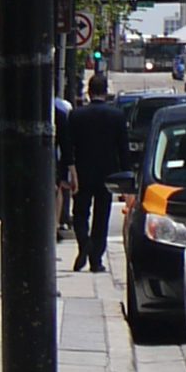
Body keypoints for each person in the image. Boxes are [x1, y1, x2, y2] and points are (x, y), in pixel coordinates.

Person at [57, 71, 134, 273]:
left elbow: (67, 146)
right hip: (108, 173)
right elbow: (123, 149)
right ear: (105, 92)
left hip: (82, 171)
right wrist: (127, 178)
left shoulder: (76, 115)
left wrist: (68, 171)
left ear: (89, 92)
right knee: (102, 215)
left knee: (80, 212)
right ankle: (96, 258)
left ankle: (84, 243)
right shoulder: (116, 116)